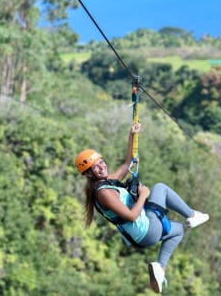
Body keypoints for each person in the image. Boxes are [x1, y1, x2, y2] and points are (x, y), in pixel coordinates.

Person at [75, 123, 209, 294]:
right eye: (96, 166)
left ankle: (160, 268)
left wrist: (132, 135)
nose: (102, 166)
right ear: (88, 173)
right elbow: (131, 216)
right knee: (160, 188)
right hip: (146, 230)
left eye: (101, 162)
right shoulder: (104, 194)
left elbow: (127, 163)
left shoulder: (108, 182)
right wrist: (144, 195)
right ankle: (192, 214)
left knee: (178, 230)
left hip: (144, 235)